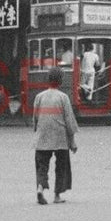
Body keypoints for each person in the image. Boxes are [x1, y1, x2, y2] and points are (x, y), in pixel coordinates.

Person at [32, 67, 78, 205]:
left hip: (43, 136)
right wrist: (72, 141)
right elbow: (69, 120)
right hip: (60, 136)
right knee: (61, 166)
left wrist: (37, 131)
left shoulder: (39, 97)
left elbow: (35, 118)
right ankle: (57, 195)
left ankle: (40, 188)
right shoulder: (63, 97)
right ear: (61, 81)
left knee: (42, 165)